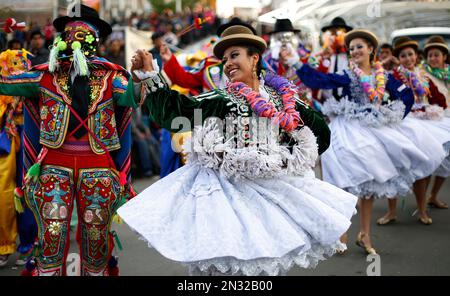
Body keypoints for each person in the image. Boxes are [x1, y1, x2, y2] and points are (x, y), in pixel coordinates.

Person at [118, 24, 358, 276]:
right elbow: (178, 113)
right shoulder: (223, 99)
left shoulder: (284, 98)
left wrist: (290, 152)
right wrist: (151, 78)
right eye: (224, 59)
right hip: (227, 193)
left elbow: (320, 132)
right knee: (228, 266)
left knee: (262, 263)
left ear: (254, 58)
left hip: (273, 189)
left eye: (235, 55)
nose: (228, 63)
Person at [0, 4, 137, 276]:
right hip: (53, 166)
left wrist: (145, 76)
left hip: (98, 166)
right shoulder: (43, 75)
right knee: (52, 237)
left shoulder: (113, 76)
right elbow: (5, 82)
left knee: (96, 242)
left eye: (80, 33)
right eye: (67, 33)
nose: (72, 37)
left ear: (94, 38)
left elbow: (133, 96)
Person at [288, 29, 437, 254]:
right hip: (347, 129)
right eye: (352, 48)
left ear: (371, 50)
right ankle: (343, 232)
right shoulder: (349, 74)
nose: (355, 51)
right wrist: (296, 63)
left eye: (360, 46)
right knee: (346, 182)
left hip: (373, 131)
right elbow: (322, 80)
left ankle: (365, 235)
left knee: (367, 186)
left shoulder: (385, 77)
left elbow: (405, 95)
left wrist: (393, 115)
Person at [377, 37, 450, 225]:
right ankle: (391, 211)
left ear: (416, 57)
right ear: (397, 58)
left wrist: (434, 110)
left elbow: (439, 100)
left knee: (423, 165)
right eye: (403, 55)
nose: (407, 58)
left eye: (410, 54)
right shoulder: (391, 76)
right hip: (400, 121)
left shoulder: (423, 75)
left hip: (424, 124)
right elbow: (383, 97)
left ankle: (422, 210)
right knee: (395, 165)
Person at [422, 35, 450, 209]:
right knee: (430, 162)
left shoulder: (449, 74)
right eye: (430, 55)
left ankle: (433, 196)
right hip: (431, 123)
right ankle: (421, 200)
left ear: (444, 57)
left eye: (436, 54)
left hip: (448, 123)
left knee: (446, 163)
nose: (433, 58)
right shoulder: (423, 75)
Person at [263, 19, 312, 104]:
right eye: (279, 38)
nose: (284, 42)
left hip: (304, 99)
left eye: (288, 37)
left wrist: (295, 62)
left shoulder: (303, 54)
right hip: (279, 102)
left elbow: (314, 72)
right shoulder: (267, 59)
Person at [313, 17, 353, 104]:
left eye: (338, 32)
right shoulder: (323, 55)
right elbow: (316, 77)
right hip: (326, 104)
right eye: (332, 33)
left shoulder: (352, 55)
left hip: (348, 104)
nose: (335, 36)